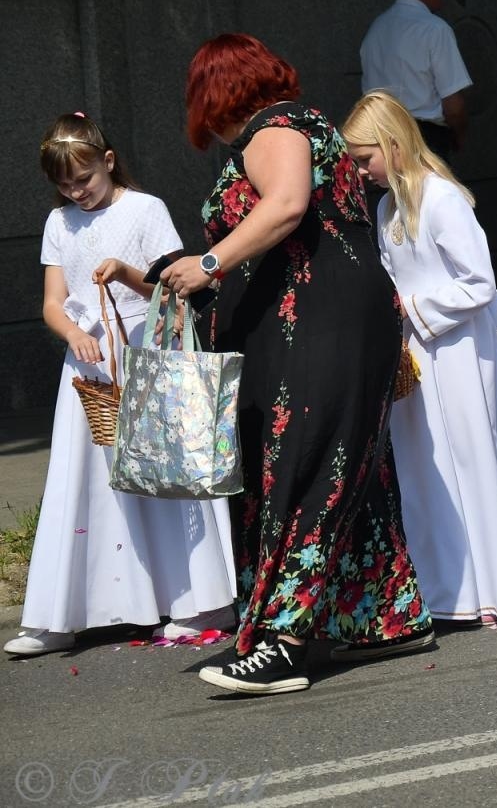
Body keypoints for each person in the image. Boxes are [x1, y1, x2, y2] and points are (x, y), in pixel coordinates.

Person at [167, 34, 432, 695]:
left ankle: (284, 644)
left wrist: (207, 264)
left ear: (218, 88)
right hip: (321, 318)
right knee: (349, 468)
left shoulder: (275, 128)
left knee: (305, 467)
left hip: (320, 317)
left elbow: (285, 205)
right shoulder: (294, 126)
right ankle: (384, 620)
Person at [6, 115, 236, 658]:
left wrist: (127, 271)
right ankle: (66, 611)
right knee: (83, 481)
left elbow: (171, 284)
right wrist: (69, 333)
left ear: (107, 161)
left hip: (141, 344)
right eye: (64, 185)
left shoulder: (145, 209)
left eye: (83, 178)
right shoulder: (59, 222)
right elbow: (52, 302)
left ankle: (199, 602)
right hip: (89, 359)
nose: (75, 192)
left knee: (160, 469)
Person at [342, 93, 497, 626]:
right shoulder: (390, 206)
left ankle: (493, 587)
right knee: (427, 465)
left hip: (459, 349)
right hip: (417, 350)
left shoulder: (441, 199)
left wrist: (410, 308)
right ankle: (448, 586)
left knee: (472, 459)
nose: (360, 171)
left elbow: (479, 283)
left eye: (364, 158)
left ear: (393, 145)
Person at [359, 0, 472, 155]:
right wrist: (460, 134)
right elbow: (453, 105)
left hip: (382, 136)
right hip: (425, 137)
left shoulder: (376, 27)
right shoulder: (435, 29)